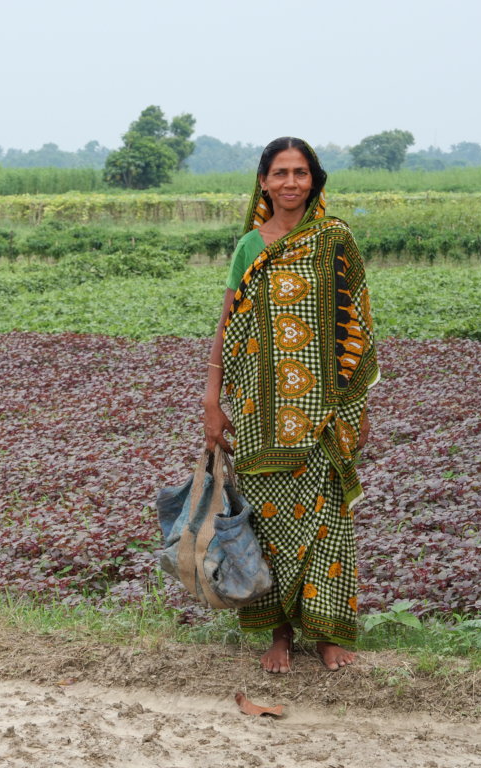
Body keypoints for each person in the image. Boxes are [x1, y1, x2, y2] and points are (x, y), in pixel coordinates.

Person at [202, 137, 379, 673]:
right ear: (264, 181)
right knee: (268, 523)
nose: (290, 182)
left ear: (314, 179)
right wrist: (212, 397)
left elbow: (356, 322)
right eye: (280, 172)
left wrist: (359, 403)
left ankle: (327, 634)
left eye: (301, 172)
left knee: (328, 521)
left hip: (324, 412)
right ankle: (278, 635)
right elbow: (227, 323)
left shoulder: (334, 240)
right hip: (258, 414)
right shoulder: (250, 247)